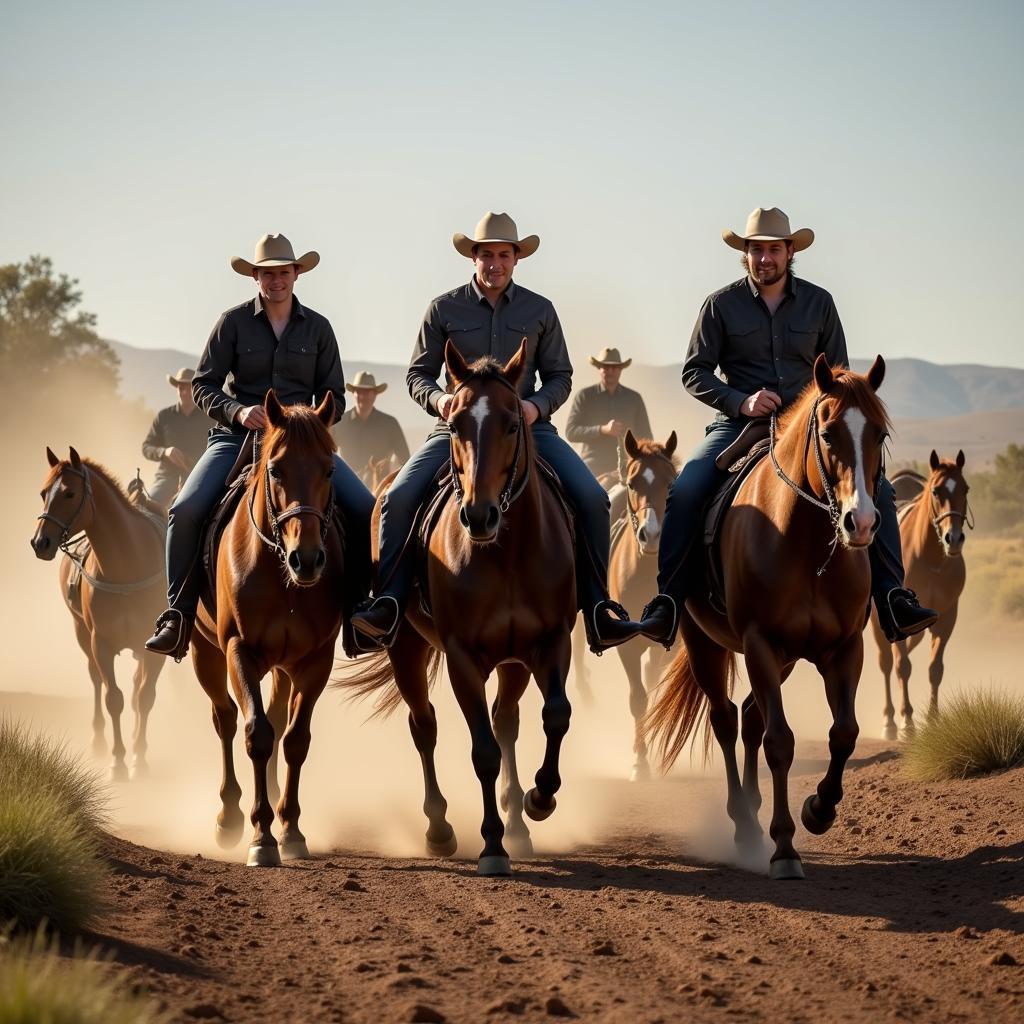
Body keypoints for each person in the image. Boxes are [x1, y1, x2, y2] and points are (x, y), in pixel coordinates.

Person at [638, 207, 937, 646]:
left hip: (814, 430)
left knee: (883, 492)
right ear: (745, 254)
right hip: (737, 424)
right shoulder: (720, 305)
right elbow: (694, 372)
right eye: (756, 250)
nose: (765, 259)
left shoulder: (821, 303)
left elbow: (838, 377)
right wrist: (743, 400)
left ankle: (892, 597)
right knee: (686, 489)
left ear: (790, 251)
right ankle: (668, 603)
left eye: (773, 249)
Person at [349, 212, 641, 653]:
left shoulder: (539, 310)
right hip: (458, 431)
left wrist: (534, 405)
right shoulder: (443, 309)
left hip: (526, 430)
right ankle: (388, 603)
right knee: (397, 497)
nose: (495, 263)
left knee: (594, 498)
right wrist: (440, 401)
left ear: (517, 259)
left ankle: (599, 608)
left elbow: (560, 375)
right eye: (487, 255)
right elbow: (417, 374)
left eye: (504, 255)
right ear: (473, 257)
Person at [144, 233, 375, 659]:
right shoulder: (231, 323)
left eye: (284, 273)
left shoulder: (319, 328)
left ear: (296, 275)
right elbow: (204, 386)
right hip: (237, 438)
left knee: (366, 509)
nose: (276, 281)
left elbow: (336, 397)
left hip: (302, 445)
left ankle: (359, 613)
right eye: (267, 274)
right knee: (185, 509)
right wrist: (237, 411)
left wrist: (307, 419)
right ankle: (177, 615)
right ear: (255, 277)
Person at [565, 346, 653, 523]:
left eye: (614, 367)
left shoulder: (634, 399)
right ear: (599, 369)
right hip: (592, 467)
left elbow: (647, 438)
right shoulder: (585, 396)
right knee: (581, 507)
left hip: (628, 469)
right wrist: (602, 430)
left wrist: (634, 465)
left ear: (620, 370)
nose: (610, 371)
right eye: (605, 367)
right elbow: (571, 431)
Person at [141, 368, 210, 510]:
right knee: (145, 510)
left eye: (188, 388)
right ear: (176, 389)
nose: (184, 392)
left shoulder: (209, 419)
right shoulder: (164, 416)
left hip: (198, 479)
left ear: (196, 389)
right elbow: (146, 447)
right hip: (166, 478)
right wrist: (164, 452)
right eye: (180, 387)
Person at [332, 371, 410, 486]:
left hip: (380, 487)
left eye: (367, 392)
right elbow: (328, 456)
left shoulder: (390, 424)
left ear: (375, 394)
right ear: (353, 393)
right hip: (346, 486)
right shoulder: (339, 423)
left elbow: (405, 460)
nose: (362, 396)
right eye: (359, 392)